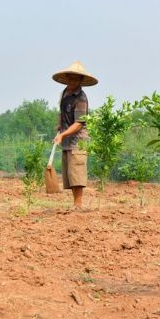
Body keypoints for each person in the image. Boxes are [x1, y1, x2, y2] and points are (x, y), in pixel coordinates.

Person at [52, 61, 98, 209]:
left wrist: (62, 135)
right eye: (70, 78)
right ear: (66, 78)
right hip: (66, 138)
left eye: (76, 78)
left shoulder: (81, 98)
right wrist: (60, 125)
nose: (72, 80)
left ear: (80, 81)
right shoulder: (65, 93)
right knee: (70, 173)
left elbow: (79, 123)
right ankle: (75, 204)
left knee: (77, 172)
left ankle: (78, 205)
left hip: (78, 140)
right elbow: (62, 112)